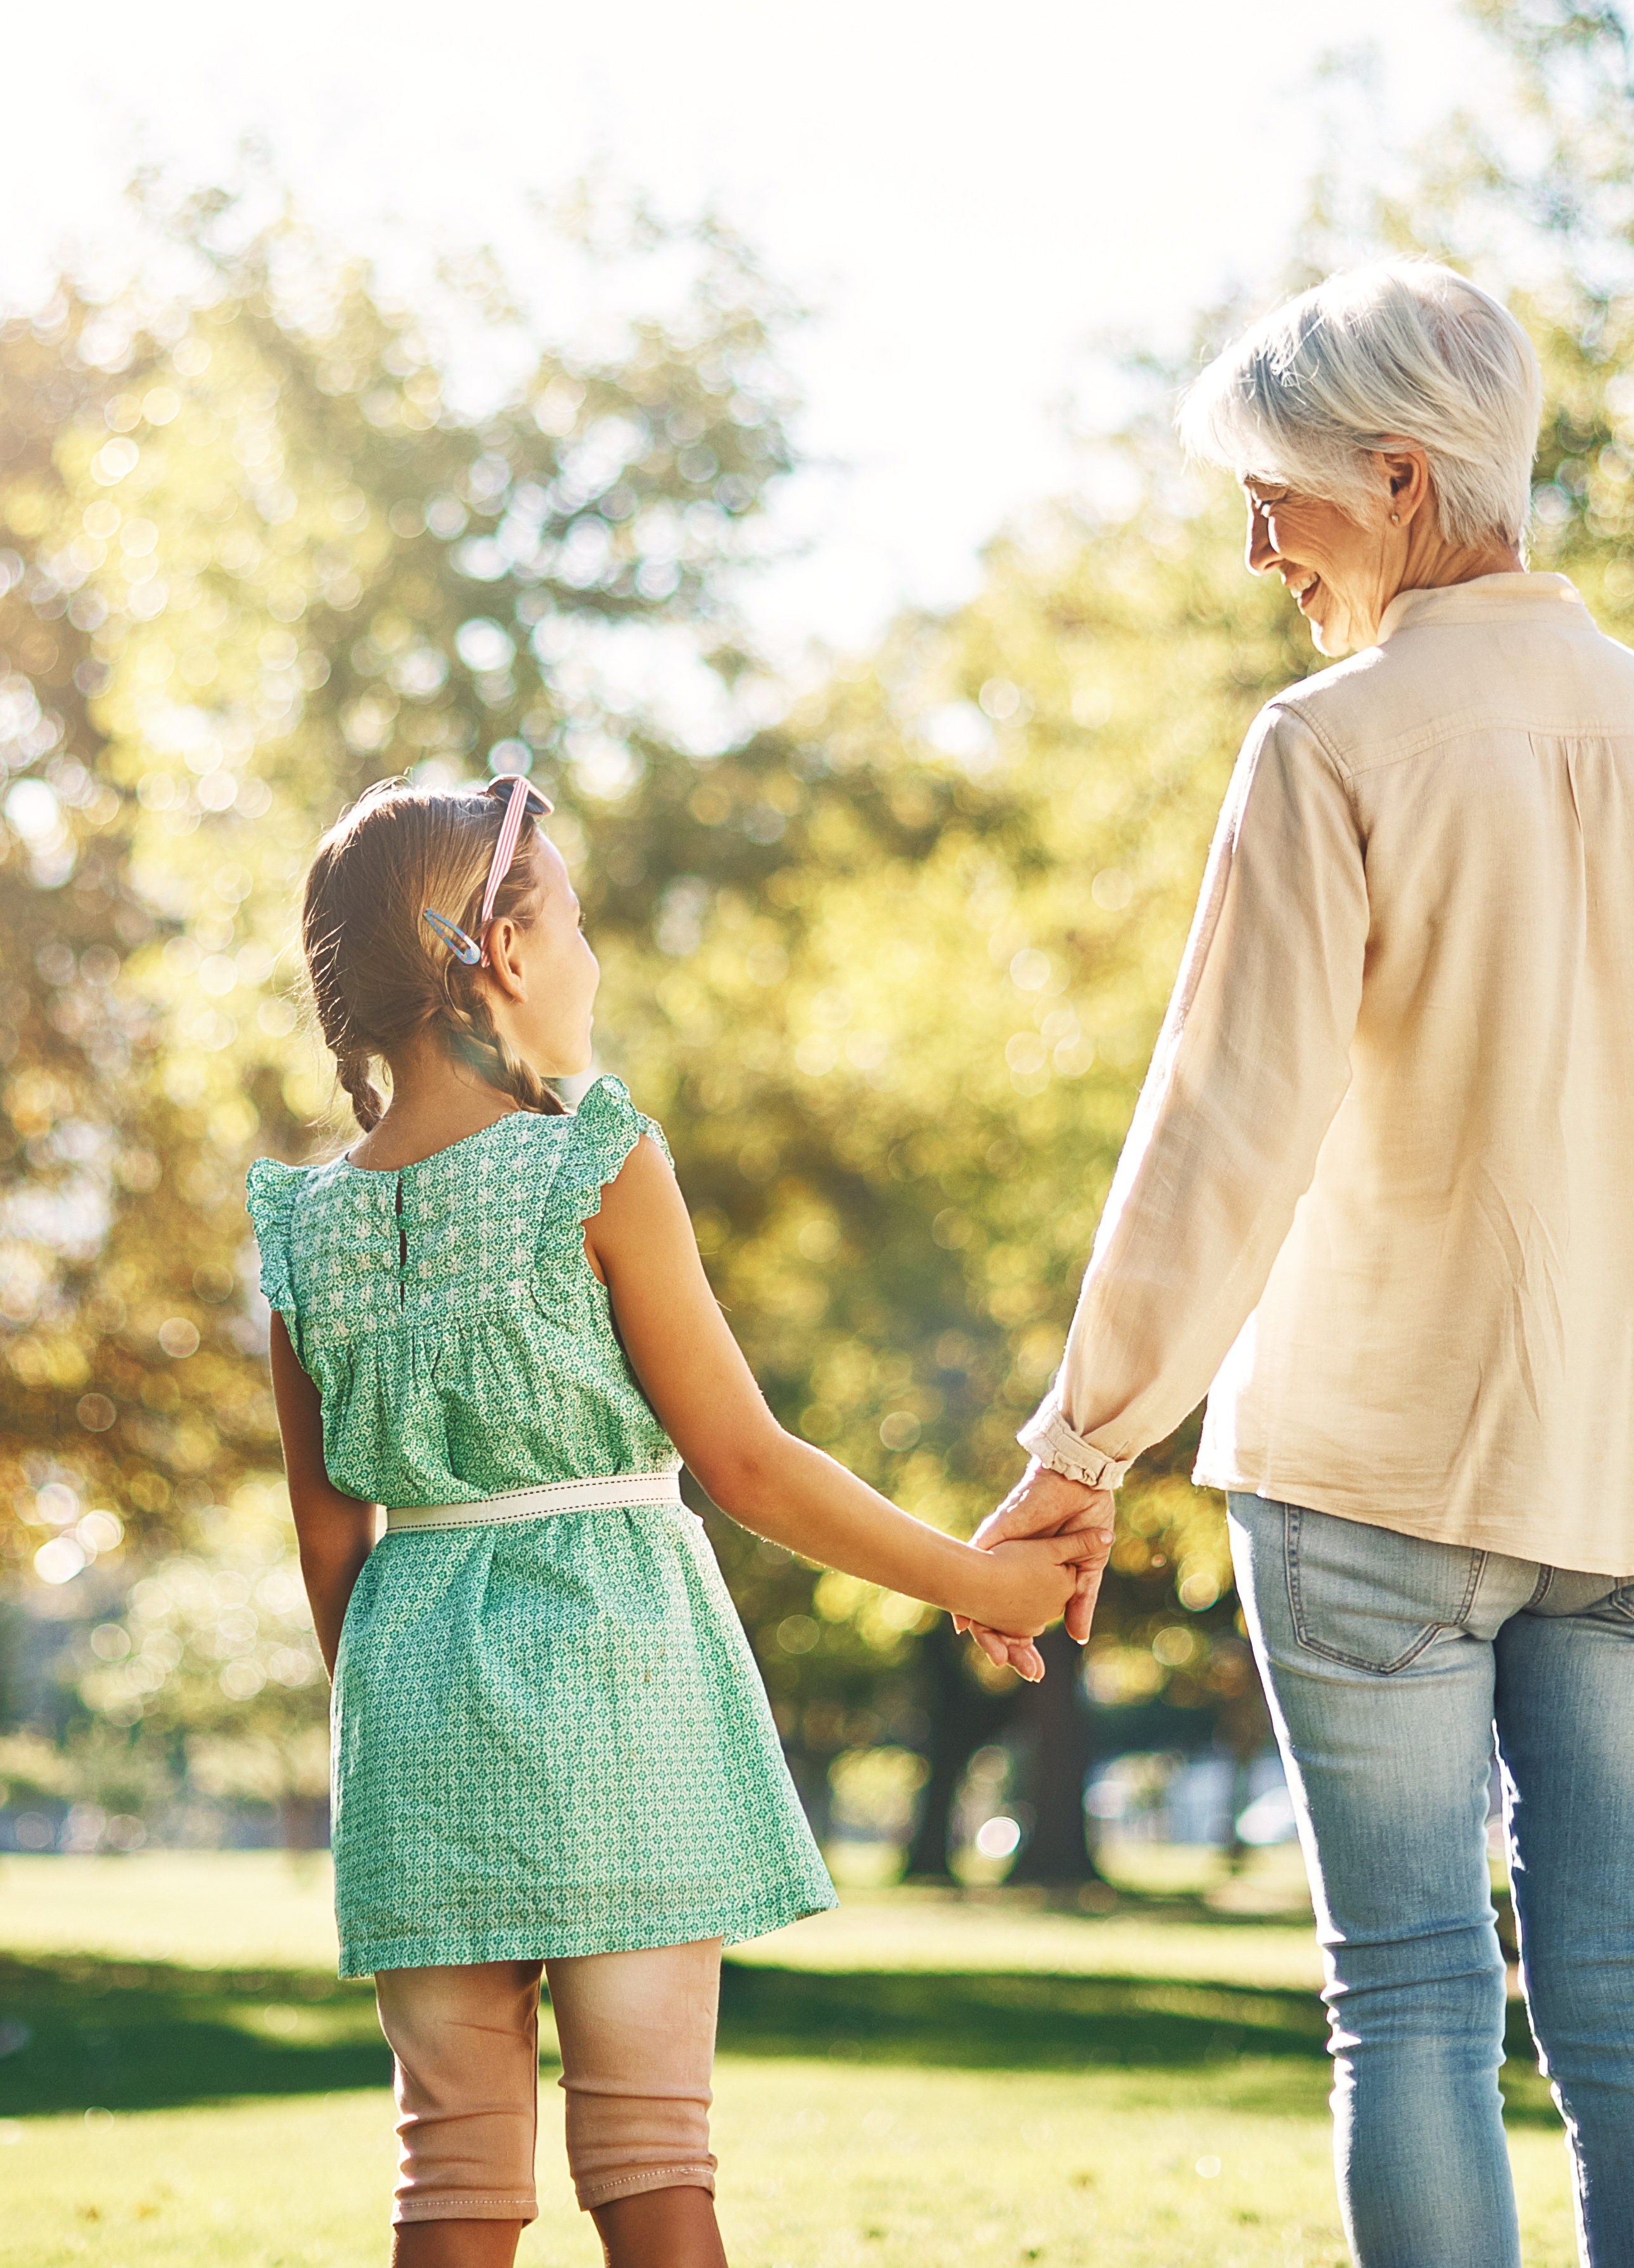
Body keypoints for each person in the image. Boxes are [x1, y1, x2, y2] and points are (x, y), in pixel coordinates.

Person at [966, 260, 1634, 2267]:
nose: (1256, 541)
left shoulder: (1326, 743)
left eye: (1276, 493)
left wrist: (1084, 1443)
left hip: (1369, 1471)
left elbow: (1222, 1129)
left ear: (1396, 472)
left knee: (1414, 1997)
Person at [257, 774, 1097, 2268]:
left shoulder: (305, 1229)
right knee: (649, 2155)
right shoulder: (593, 1158)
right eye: (572, 923)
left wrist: (398, 1711)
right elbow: (749, 1462)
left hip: (411, 1712)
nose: (589, 959)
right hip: (612, 1685)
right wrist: (981, 1579)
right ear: (500, 953)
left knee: (446, 2171)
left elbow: (332, 1544)